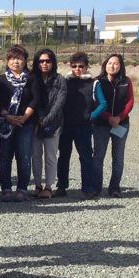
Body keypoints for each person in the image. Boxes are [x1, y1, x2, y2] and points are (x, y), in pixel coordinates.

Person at [0, 45, 40, 202]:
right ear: (7, 61)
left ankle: (22, 189)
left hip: (25, 123)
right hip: (6, 123)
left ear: (25, 61)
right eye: (12, 58)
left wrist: (24, 117)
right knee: (5, 156)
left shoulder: (32, 79)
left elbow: (36, 99)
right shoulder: (0, 80)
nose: (16, 62)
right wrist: (8, 116)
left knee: (24, 156)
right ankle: (6, 189)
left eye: (19, 58)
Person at [90, 54, 134, 198]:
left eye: (116, 63)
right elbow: (96, 102)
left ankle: (114, 187)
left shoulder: (126, 82)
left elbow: (130, 101)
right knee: (98, 156)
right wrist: (108, 117)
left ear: (121, 66)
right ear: (105, 65)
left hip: (121, 124)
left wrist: (119, 117)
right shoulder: (97, 81)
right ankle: (96, 187)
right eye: (109, 63)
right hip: (102, 124)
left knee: (118, 157)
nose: (112, 66)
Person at [56, 51, 95, 198]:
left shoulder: (93, 83)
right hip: (66, 125)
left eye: (81, 66)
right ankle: (61, 186)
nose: (77, 69)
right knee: (63, 156)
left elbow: (101, 103)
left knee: (85, 157)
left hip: (84, 126)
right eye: (74, 66)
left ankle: (87, 188)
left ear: (86, 67)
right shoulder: (65, 82)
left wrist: (92, 116)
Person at [30, 48, 66, 199]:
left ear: (53, 62)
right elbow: (31, 99)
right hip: (35, 122)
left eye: (48, 61)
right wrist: (38, 118)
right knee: (36, 156)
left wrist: (46, 119)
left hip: (54, 124)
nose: (44, 64)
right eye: (41, 61)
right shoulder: (32, 79)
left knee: (51, 157)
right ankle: (38, 185)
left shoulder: (60, 80)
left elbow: (60, 102)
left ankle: (49, 187)